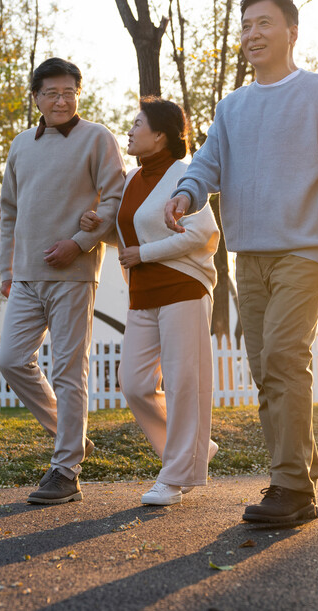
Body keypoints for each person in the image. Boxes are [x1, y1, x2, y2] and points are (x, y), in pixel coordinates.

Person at [163, 0, 318, 527]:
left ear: (291, 32)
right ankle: (303, 465)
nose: (252, 35)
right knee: (265, 368)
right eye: (246, 26)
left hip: (304, 249)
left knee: (281, 355)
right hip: (248, 255)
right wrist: (187, 193)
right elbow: (206, 163)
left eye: (264, 24)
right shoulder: (233, 107)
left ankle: (291, 488)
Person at [0, 57, 126, 505]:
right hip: (27, 276)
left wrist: (80, 242)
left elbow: (115, 197)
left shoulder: (97, 138)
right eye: (51, 92)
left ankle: (66, 469)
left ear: (78, 94)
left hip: (73, 272)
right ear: (36, 98)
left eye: (69, 91)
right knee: (12, 359)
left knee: (69, 370)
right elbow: (8, 212)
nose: (61, 99)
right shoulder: (20, 145)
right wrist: (5, 268)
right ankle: (72, 436)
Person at [80, 97, 220, 506]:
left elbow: (204, 235)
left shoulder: (184, 176)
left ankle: (175, 477)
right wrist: (100, 229)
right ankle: (194, 451)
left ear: (159, 135)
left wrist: (144, 254)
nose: (130, 129)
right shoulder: (131, 180)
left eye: (137, 123)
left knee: (182, 385)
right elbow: (132, 237)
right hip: (142, 295)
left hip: (182, 289)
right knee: (137, 383)